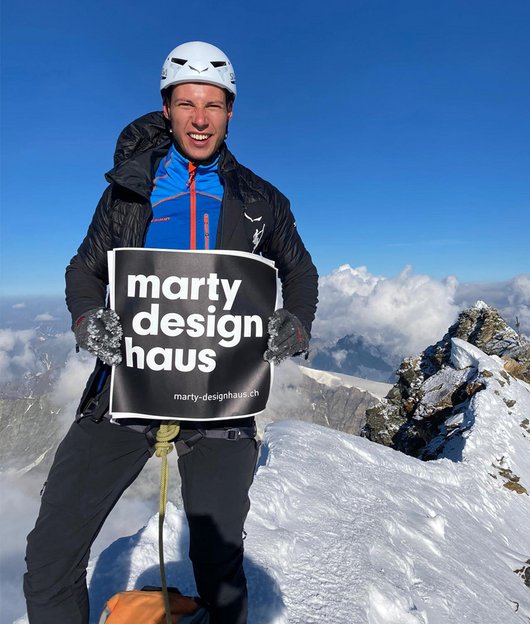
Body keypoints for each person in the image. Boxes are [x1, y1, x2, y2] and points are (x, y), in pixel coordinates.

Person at [23, 41, 318, 624]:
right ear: (167, 109)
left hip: (223, 398)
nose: (201, 118)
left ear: (231, 111)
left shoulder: (263, 200)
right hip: (128, 386)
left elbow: (298, 269)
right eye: (187, 104)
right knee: (51, 556)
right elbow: (85, 268)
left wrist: (296, 320)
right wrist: (88, 318)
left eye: (213, 104)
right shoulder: (129, 191)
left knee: (218, 561)